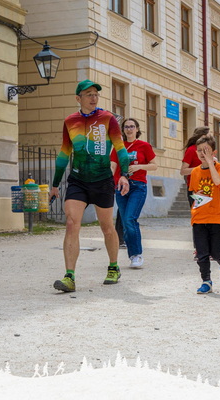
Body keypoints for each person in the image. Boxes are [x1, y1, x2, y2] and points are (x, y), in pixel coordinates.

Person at [51, 80, 130, 292]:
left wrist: (124, 175)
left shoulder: (108, 118)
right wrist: (55, 184)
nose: (94, 97)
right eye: (89, 94)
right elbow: (64, 153)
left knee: (107, 227)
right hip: (78, 180)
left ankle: (113, 267)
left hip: (102, 180)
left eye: (96, 94)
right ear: (78, 98)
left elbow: (120, 148)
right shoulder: (70, 121)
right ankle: (69, 276)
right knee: (71, 223)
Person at [110, 118, 157, 268]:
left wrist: (139, 167)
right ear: (123, 130)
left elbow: (154, 165)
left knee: (130, 219)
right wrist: (110, 180)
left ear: (137, 129)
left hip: (138, 186)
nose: (129, 129)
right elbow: (113, 166)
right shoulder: (118, 147)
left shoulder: (144, 146)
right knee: (125, 222)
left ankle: (137, 254)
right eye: (126, 127)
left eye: (132, 126)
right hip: (120, 187)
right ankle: (132, 256)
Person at [189, 135, 220, 293]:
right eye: (199, 150)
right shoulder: (195, 172)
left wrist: (210, 163)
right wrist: (197, 196)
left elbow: (217, 181)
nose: (202, 153)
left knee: (216, 252)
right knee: (202, 253)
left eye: (205, 150)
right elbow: (193, 192)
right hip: (199, 217)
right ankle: (206, 281)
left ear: (213, 152)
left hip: (217, 217)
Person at [180, 127, 210, 207]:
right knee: (198, 213)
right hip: (195, 188)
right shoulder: (191, 150)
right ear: (202, 136)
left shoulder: (208, 149)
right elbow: (183, 171)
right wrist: (201, 168)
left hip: (209, 186)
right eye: (208, 136)